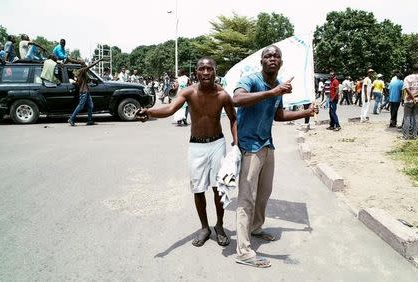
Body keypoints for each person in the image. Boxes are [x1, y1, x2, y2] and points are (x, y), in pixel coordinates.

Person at [136, 57, 237, 247]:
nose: (206, 72)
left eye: (210, 69)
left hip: (217, 144)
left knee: (219, 188)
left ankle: (220, 226)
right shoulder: (189, 93)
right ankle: (205, 227)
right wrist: (148, 111)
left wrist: (236, 143)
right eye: (202, 69)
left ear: (215, 72)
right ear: (196, 72)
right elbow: (170, 108)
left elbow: (233, 119)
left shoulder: (223, 95)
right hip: (196, 146)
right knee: (198, 189)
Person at [232, 45, 318, 268]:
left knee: (264, 193)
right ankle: (243, 251)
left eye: (276, 56)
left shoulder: (278, 86)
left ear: (281, 62)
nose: (272, 58)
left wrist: (305, 113)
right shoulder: (251, 80)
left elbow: (279, 115)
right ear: (261, 61)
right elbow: (237, 99)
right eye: (268, 56)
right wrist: (272, 92)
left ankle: (255, 227)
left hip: (266, 144)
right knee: (246, 198)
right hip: (250, 146)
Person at [67, 58, 106, 126]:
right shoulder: (81, 70)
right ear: (82, 65)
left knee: (90, 106)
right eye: (84, 64)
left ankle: (90, 120)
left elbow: (81, 81)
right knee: (80, 106)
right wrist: (98, 61)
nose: (85, 65)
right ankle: (71, 119)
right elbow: (89, 66)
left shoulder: (80, 72)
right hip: (84, 91)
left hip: (86, 91)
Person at [401, 64, 418, 139]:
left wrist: (412, 97)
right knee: (416, 118)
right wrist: (415, 97)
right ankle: (414, 135)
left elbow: (406, 88)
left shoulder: (407, 78)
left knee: (407, 117)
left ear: (412, 70)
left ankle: (405, 136)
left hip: (408, 100)